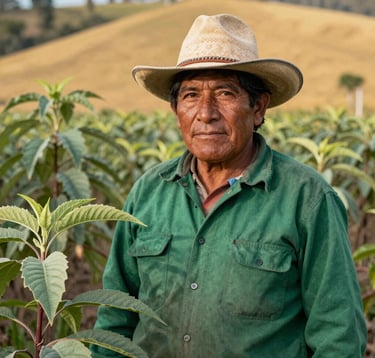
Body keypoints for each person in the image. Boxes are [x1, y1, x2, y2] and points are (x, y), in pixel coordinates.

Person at [91, 13, 367, 357]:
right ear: (176, 110)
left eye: (225, 93)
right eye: (190, 95)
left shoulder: (306, 198)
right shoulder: (148, 193)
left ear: (258, 108)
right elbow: (115, 321)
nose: (206, 113)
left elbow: (338, 335)